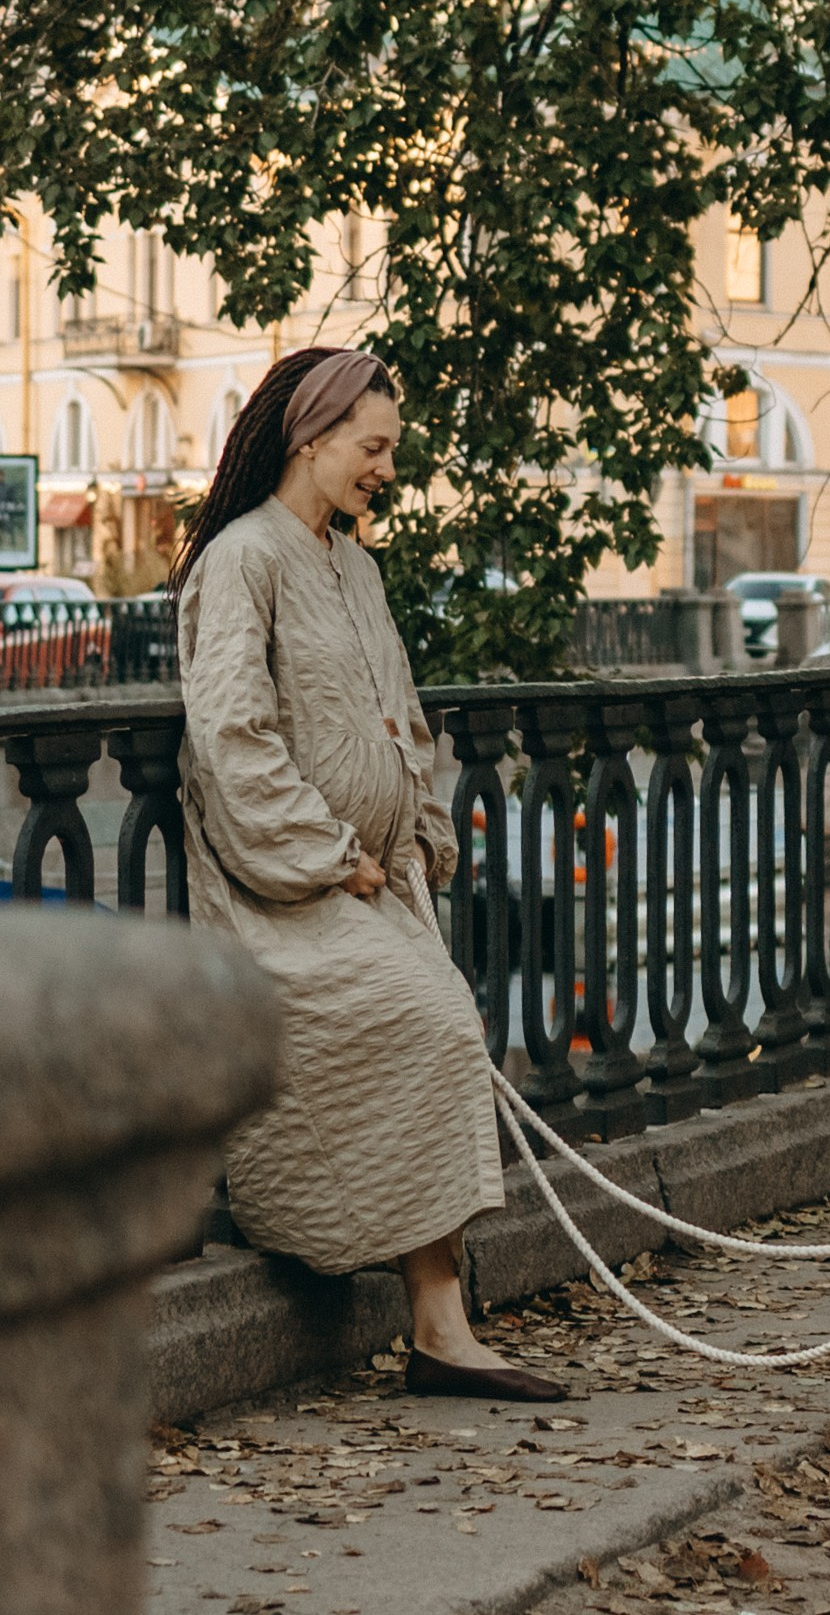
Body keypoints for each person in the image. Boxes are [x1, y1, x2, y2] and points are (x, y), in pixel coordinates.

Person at [169, 345, 563, 1402]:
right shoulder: (243, 558)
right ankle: (437, 1325)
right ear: (312, 437)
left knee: (447, 1027)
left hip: (378, 884)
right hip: (283, 896)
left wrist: (418, 835)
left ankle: (442, 1330)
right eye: (375, 447)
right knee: (434, 1028)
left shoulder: (358, 565)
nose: (388, 469)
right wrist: (327, 855)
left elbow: (402, 717)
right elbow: (232, 733)